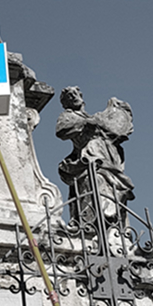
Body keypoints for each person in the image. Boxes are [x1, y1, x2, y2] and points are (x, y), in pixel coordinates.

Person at [56, 86, 134, 221]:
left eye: (75, 93)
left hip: (108, 156)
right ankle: (89, 221)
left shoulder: (95, 117)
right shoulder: (68, 116)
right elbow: (61, 130)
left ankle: (114, 224)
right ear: (66, 104)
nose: (73, 97)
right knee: (93, 181)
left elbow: (116, 131)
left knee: (115, 188)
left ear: (81, 96)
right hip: (89, 157)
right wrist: (86, 123)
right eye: (69, 96)